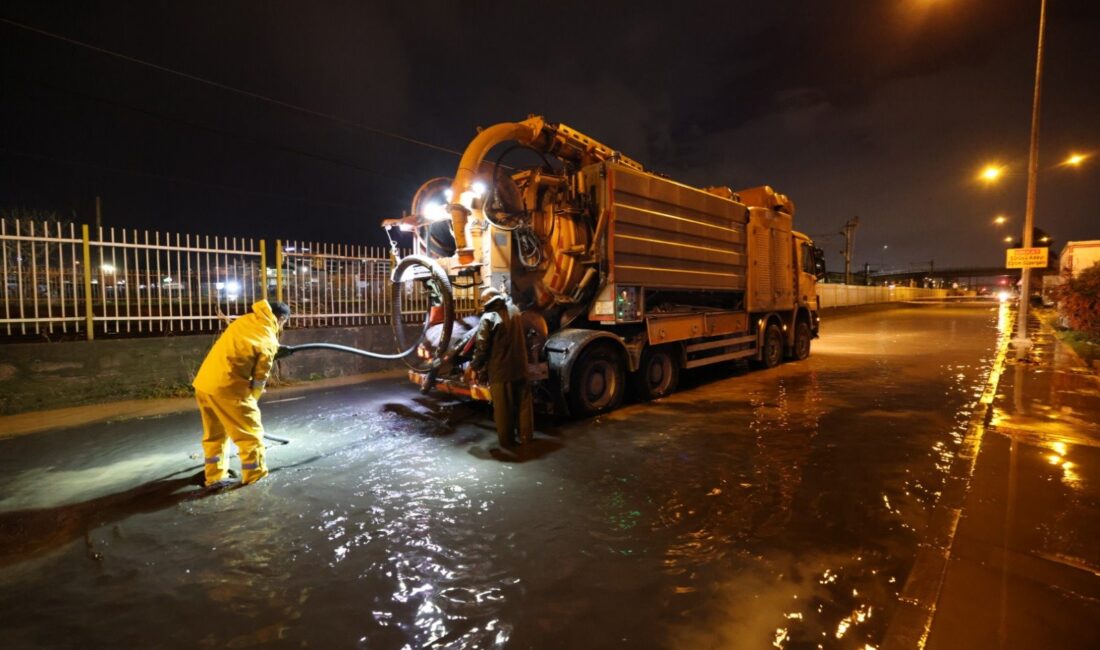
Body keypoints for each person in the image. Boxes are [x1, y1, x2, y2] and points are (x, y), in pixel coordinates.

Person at [192, 299, 290, 488]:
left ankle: (214, 477)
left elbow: (241, 348)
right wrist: (251, 400)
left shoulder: (243, 321)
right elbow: (259, 379)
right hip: (229, 391)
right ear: (281, 319)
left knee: (215, 435)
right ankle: (256, 478)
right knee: (251, 437)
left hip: (205, 385)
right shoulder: (268, 339)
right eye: (284, 322)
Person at [470, 287, 533, 448]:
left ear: (488, 300)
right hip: (521, 367)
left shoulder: (488, 317)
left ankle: (507, 443)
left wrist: (475, 366)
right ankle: (526, 438)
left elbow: (482, 347)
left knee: (503, 410)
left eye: (482, 301)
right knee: (524, 406)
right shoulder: (516, 311)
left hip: (501, 371)